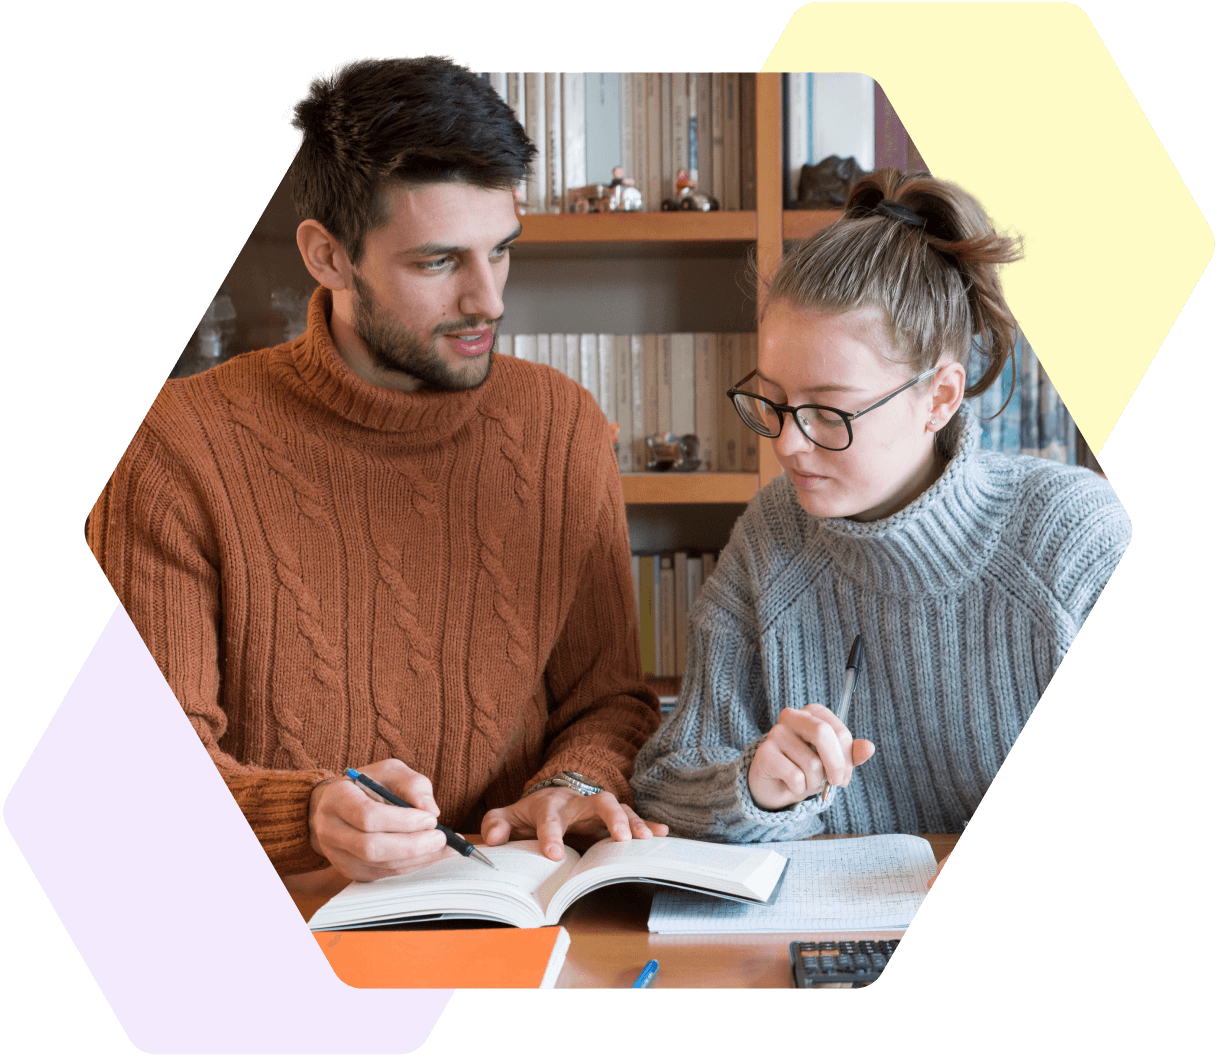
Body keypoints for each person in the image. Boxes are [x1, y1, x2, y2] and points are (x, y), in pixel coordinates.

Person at [86, 56, 664, 882]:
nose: (489, 300)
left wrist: (571, 784)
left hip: (523, 903)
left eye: (500, 251)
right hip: (287, 919)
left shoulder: (561, 426)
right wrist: (309, 814)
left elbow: (609, 703)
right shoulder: (173, 445)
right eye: (439, 262)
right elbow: (138, 769)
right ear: (327, 256)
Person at [630, 170, 1132, 875]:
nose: (787, 444)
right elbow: (662, 783)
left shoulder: (1072, 538)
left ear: (940, 397)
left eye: (828, 412)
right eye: (773, 402)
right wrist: (752, 787)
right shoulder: (775, 534)